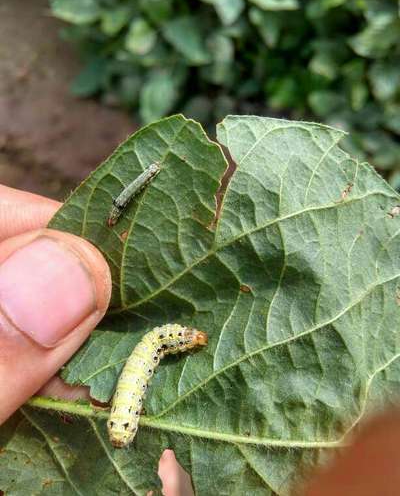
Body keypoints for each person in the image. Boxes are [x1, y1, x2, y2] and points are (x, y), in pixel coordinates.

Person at [1, 184, 399, 496]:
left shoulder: (157, 346)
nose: (188, 341)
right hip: (119, 417)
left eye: (184, 339)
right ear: (174, 341)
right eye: (186, 338)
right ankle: (127, 432)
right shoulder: (155, 344)